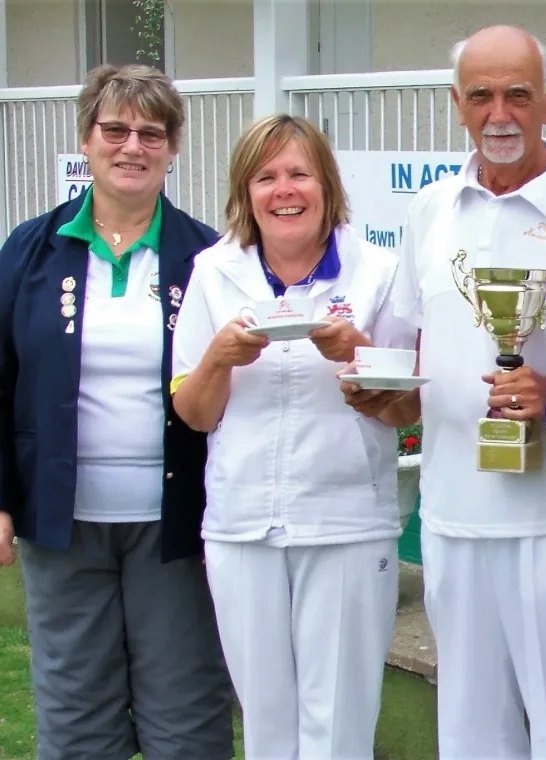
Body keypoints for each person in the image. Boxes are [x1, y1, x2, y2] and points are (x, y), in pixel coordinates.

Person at [344, 24, 546, 758]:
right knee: (470, 731)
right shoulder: (429, 213)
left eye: (517, 95)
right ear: (457, 105)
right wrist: (385, 396)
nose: (499, 113)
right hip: (452, 520)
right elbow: (415, 357)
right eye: (481, 96)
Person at [0, 64, 234, 760]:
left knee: (186, 715)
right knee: (76, 718)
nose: (132, 145)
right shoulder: (28, 251)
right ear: (88, 138)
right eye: (116, 129)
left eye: (151, 133)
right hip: (61, 524)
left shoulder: (207, 257)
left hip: (177, 525)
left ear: (172, 148)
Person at [171, 114, 416, 760]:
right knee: (266, 724)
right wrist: (220, 358)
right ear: (245, 193)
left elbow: (405, 410)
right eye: (266, 176)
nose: (285, 190)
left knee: (336, 727)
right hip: (242, 525)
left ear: (327, 186)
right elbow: (195, 413)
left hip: (345, 525)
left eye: (299, 174)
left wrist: (357, 352)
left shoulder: (377, 273)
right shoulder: (213, 273)